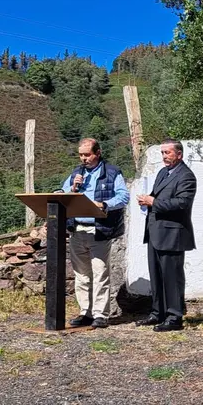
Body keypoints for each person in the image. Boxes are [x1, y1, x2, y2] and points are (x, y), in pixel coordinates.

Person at [59, 138, 129, 329]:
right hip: (77, 229)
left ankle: (100, 314)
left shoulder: (112, 172)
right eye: (81, 155)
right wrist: (73, 188)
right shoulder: (76, 173)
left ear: (98, 153)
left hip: (99, 229)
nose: (84, 158)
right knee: (81, 274)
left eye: (87, 154)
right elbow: (61, 192)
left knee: (99, 273)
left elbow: (124, 196)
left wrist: (105, 204)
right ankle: (85, 312)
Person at [135, 139, 197, 332]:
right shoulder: (163, 173)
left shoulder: (186, 176)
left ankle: (174, 317)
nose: (164, 157)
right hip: (155, 231)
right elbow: (157, 196)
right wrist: (146, 201)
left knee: (172, 277)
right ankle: (157, 312)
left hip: (172, 234)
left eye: (168, 153)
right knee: (156, 275)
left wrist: (153, 201)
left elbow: (181, 204)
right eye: (162, 153)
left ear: (179, 154)